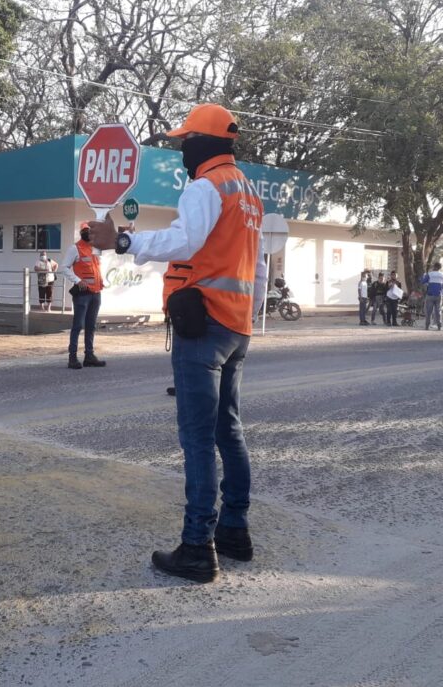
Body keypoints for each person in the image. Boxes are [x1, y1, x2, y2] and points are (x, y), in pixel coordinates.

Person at [89, 103, 261, 584]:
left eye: (187, 141)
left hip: (203, 326)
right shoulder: (247, 192)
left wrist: (124, 242)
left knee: (199, 438)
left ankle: (196, 547)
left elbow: (185, 241)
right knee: (229, 430)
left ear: (205, 143)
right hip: (237, 326)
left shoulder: (207, 185)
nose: (183, 149)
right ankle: (234, 533)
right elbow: (251, 264)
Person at [62, 225, 107, 369]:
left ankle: (89, 356)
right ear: (82, 233)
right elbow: (64, 267)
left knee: (91, 326)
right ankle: (72, 358)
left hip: (96, 293)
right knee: (78, 325)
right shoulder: (74, 248)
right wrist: (77, 280)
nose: (90, 234)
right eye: (87, 232)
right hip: (82, 294)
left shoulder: (95, 249)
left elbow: (96, 268)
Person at [420, 261, 443, 330]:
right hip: (439, 295)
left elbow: (422, 281)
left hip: (430, 295)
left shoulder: (430, 274)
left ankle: (427, 326)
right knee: (438, 311)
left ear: (434, 267)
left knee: (428, 311)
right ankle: (439, 326)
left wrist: (422, 277)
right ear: (440, 268)